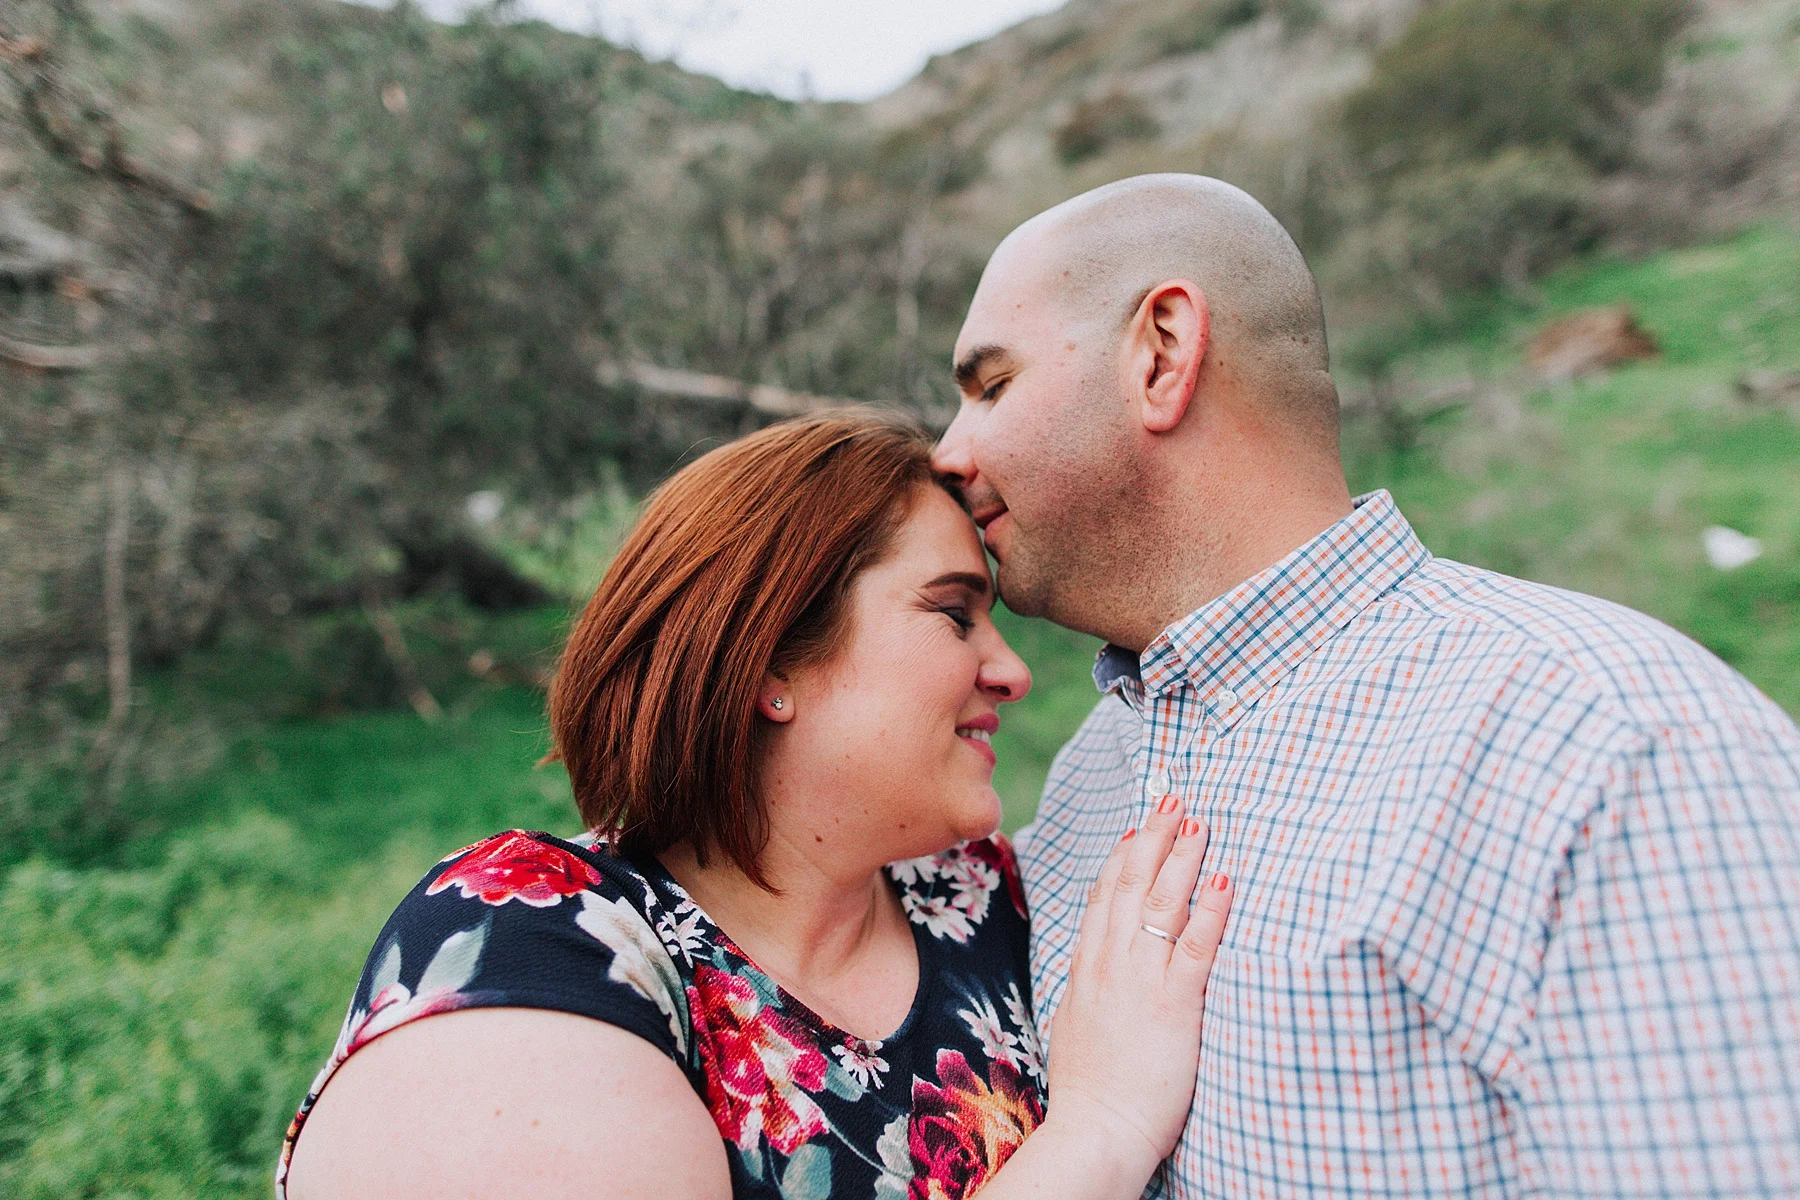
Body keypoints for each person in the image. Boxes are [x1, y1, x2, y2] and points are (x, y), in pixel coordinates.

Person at [931, 173, 1800, 1198]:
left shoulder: (1615, 750)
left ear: (1161, 353)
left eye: (990, 386)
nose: (948, 453)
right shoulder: (1081, 784)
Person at [279, 411, 1237, 1200]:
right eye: (952, 613)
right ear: (771, 657)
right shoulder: (530, 935)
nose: (1014, 671)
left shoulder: (986, 904)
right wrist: (1101, 1131)